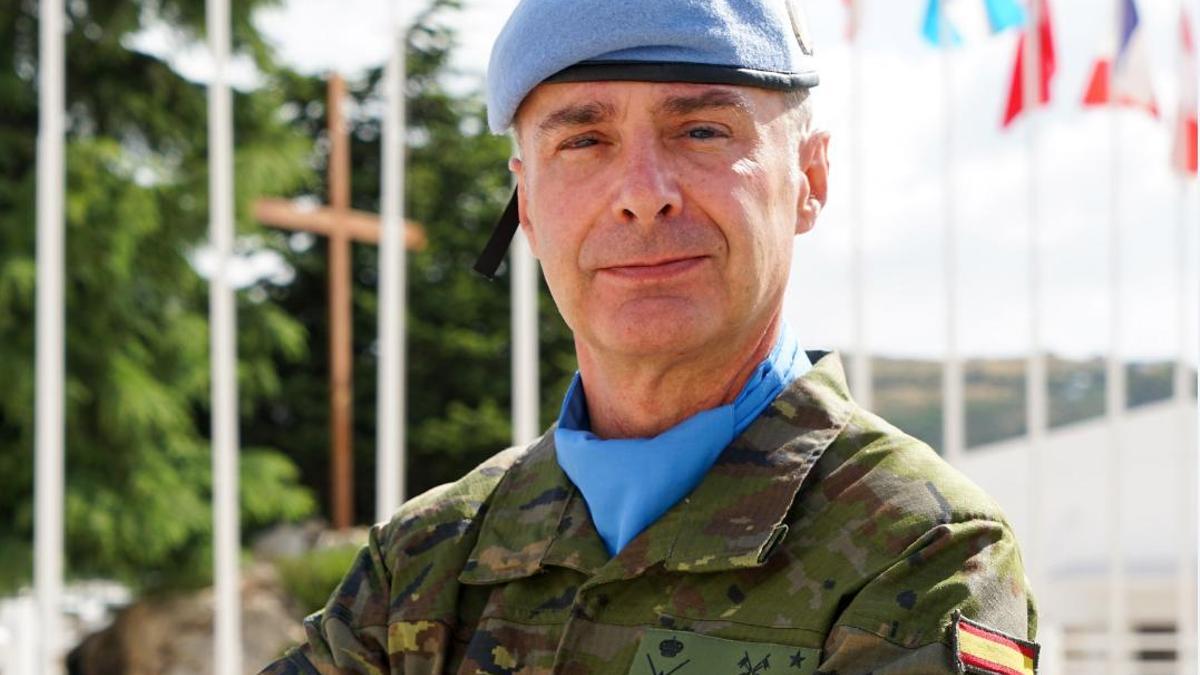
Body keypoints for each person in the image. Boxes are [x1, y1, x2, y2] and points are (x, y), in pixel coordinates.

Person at [262, 1, 1039, 673]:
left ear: (811, 179)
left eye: (701, 129)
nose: (642, 196)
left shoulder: (916, 547)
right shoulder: (426, 559)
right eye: (584, 141)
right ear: (526, 206)